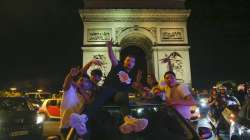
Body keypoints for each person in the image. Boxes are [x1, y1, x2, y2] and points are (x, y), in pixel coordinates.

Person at [59, 67, 96, 139]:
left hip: (80, 126)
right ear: (77, 81)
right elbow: (66, 85)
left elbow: (89, 101)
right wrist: (70, 75)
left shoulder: (88, 95)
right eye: (81, 80)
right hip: (67, 126)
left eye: (86, 81)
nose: (83, 82)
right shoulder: (71, 91)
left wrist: (81, 89)